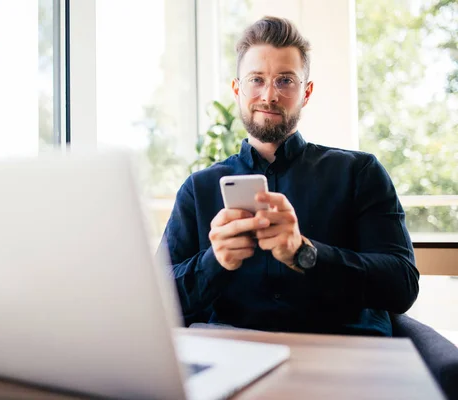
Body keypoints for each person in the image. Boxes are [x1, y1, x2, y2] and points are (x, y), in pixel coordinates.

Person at [160, 16, 419, 336]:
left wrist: (304, 253)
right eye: (256, 79)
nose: (269, 95)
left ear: (306, 92)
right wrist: (214, 263)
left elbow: (401, 286)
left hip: (340, 356)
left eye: (285, 81)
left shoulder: (359, 173)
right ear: (236, 89)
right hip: (233, 358)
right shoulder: (198, 190)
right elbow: (156, 299)